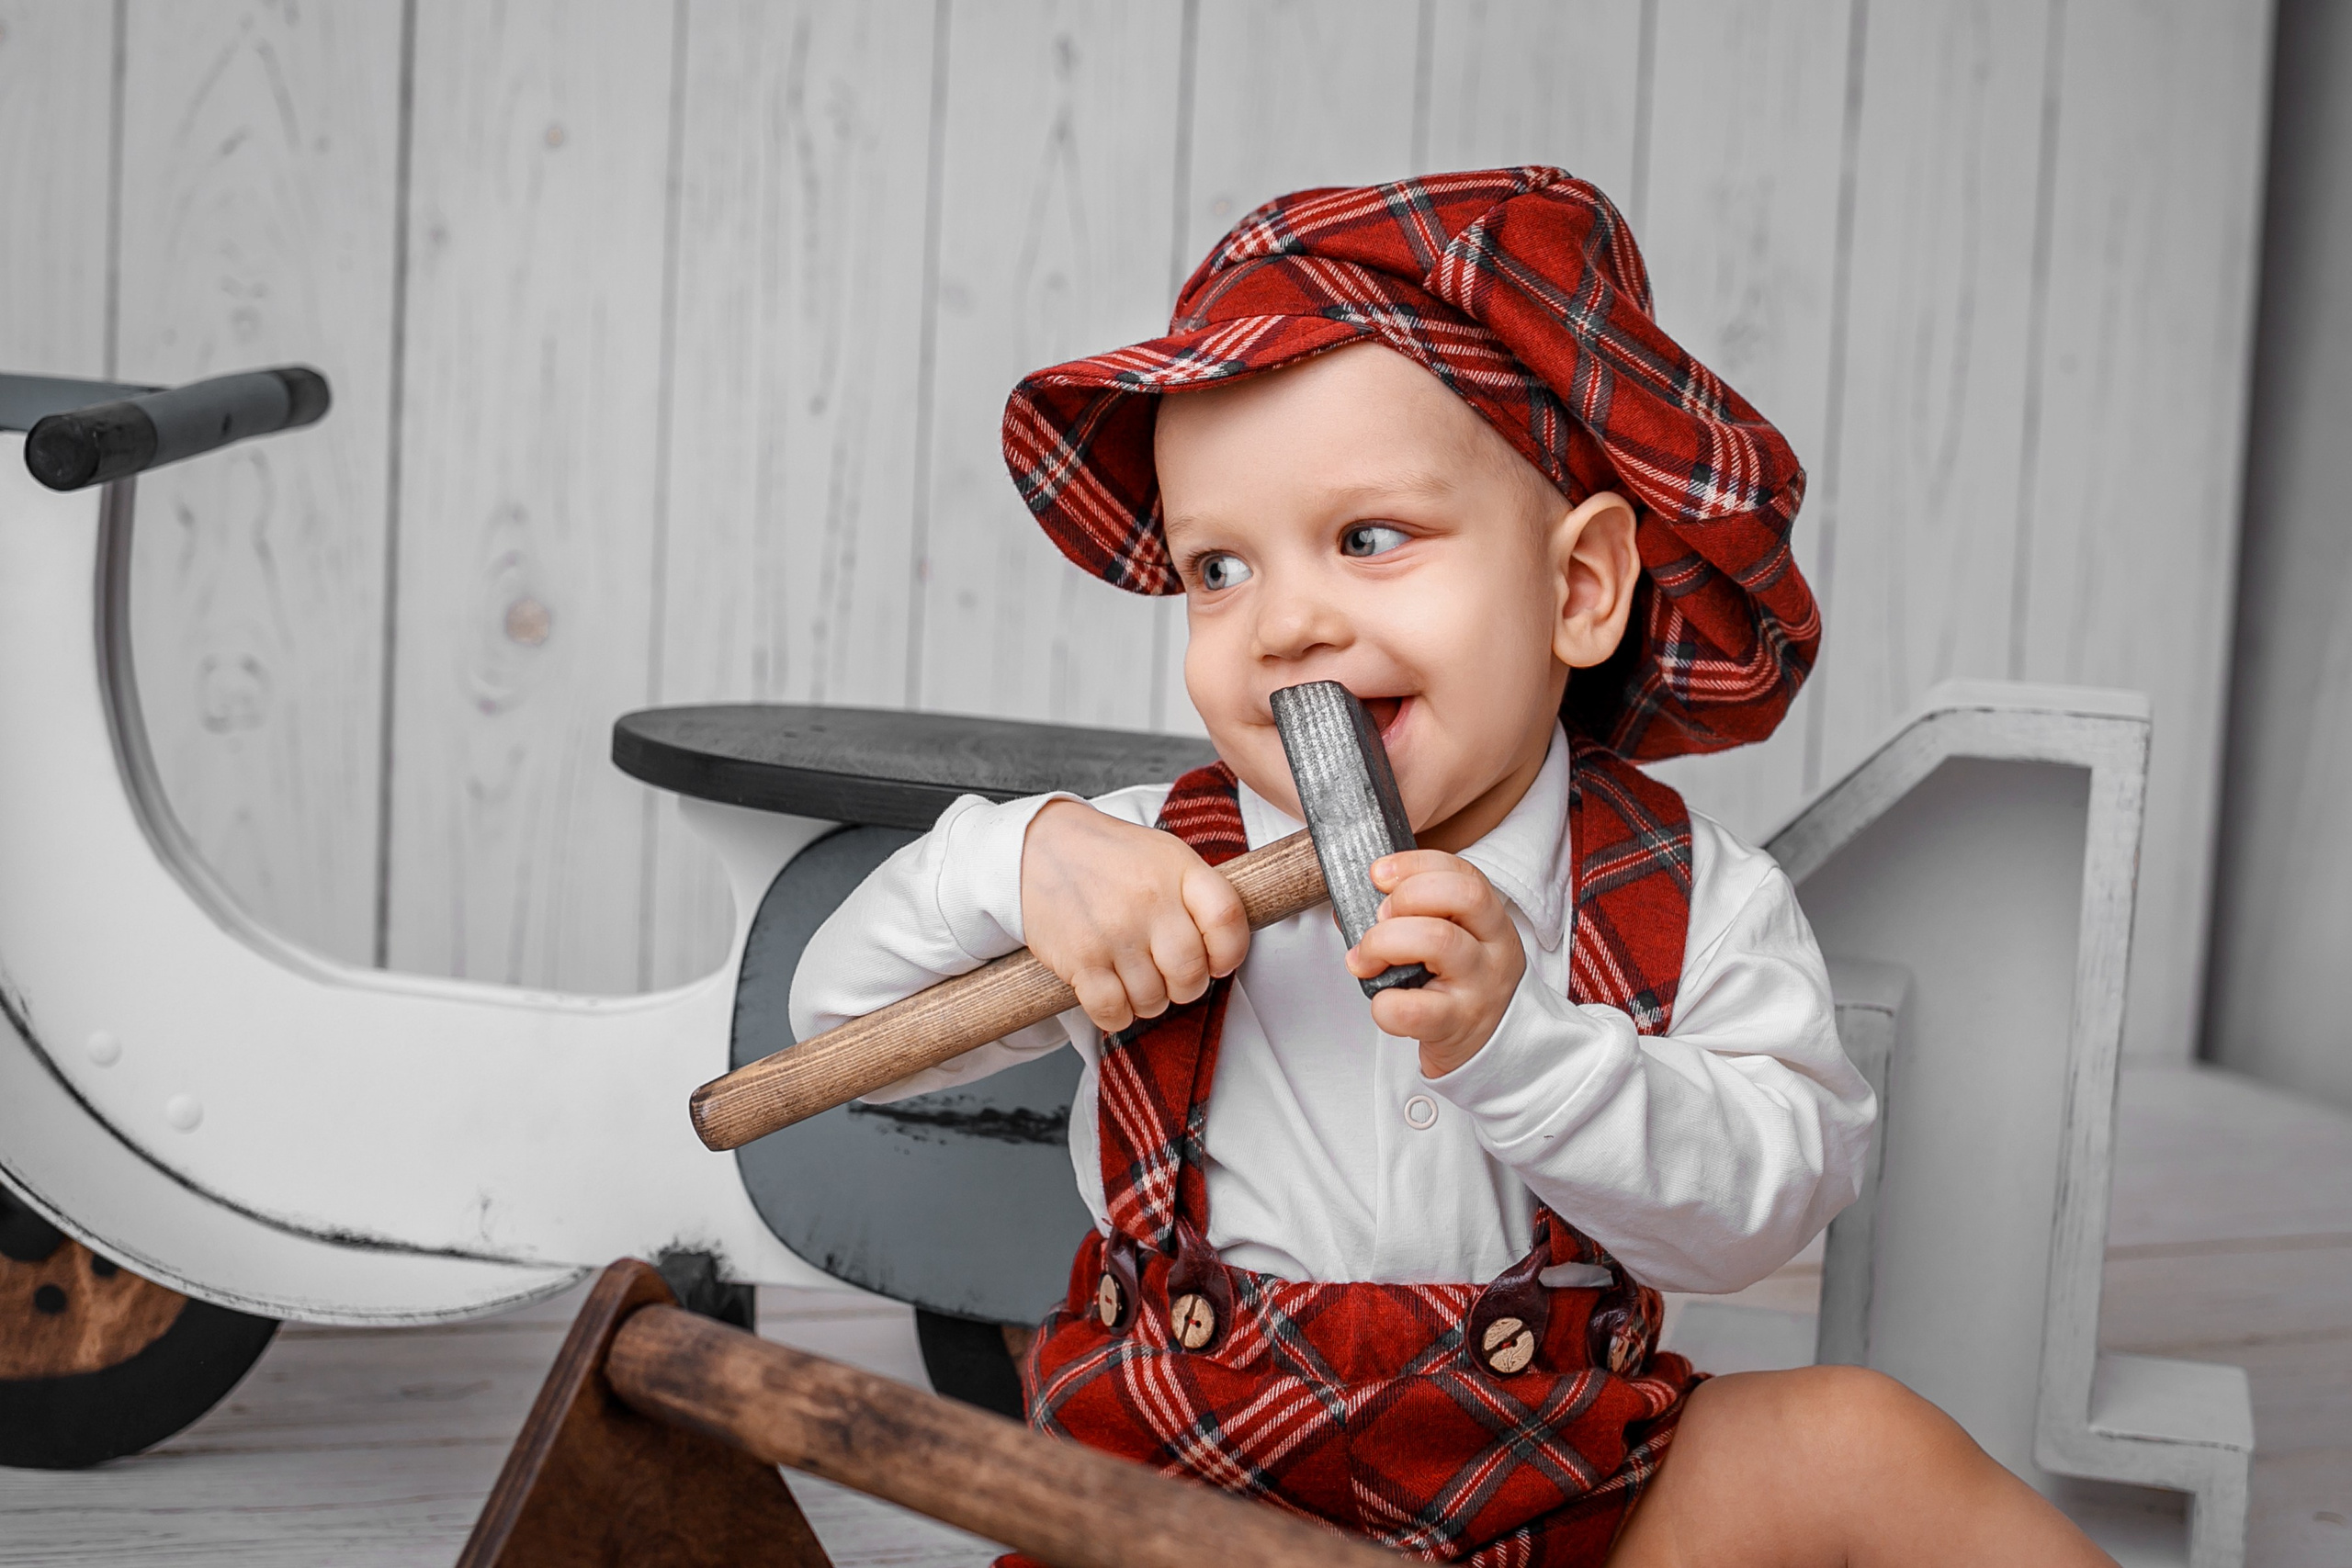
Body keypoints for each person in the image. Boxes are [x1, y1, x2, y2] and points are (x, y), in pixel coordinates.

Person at [792, 168, 2113, 1567]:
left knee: (1858, 1447)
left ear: (1577, 590)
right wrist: (1015, 861)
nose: (1284, 623)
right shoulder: (1147, 870)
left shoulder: (1684, 895)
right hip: (1184, 1514)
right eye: (1219, 570)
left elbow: (1766, 1205)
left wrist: (1520, 1048)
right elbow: (835, 1036)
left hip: (1565, 1513)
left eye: (1369, 540)